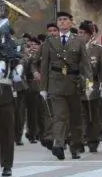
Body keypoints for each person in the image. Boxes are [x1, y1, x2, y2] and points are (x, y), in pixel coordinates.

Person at [39, 11, 91, 161]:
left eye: (65, 20)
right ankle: (59, 145)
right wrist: (43, 87)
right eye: (59, 20)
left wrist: (88, 83)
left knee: (75, 118)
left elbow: (86, 64)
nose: (61, 22)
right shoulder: (49, 41)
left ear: (71, 22)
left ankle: (75, 147)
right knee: (59, 116)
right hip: (55, 83)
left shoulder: (78, 41)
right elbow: (44, 65)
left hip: (74, 83)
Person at [77, 21, 102, 153]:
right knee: (79, 113)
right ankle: (81, 137)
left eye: (82, 33)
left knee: (93, 114)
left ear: (90, 35)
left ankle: (93, 140)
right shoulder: (73, 47)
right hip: (77, 85)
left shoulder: (98, 49)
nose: (80, 36)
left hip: (93, 85)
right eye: (79, 33)